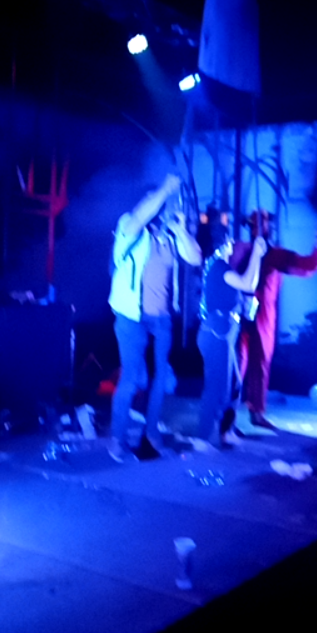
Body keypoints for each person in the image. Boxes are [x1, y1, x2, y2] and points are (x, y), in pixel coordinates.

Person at [108, 174, 202, 461]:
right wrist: (165, 189)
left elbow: (195, 258)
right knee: (131, 378)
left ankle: (151, 434)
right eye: (156, 203)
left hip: (161, 320)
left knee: (161, 378)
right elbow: (140, 215)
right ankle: (117, 439)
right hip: (131, 318)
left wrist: (181, 230)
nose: (162, 208)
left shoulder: (169, 238)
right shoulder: (128, 227)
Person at [230, 210, 317, 431]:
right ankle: (228, 416)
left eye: (264, 223)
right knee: (237, 364)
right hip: (240, 315)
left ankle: (256, 412)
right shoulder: (242, 251)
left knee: (260, 363)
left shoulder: (275, 255)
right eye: (256, 224)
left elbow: (306, 266)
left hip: (264, 317)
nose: (261, 227)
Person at [197, 224, 266, 446]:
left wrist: (257, 257)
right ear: (224, 243)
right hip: (216, 332)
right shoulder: (219, 267)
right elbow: (246, 283)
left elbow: (248, 285)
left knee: (234, 383)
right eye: (230, 241)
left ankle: (225, 431)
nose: (233, 245)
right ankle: (204, 438)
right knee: (217, 386)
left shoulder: (221, 267)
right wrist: (256, 254)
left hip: (224, 332)